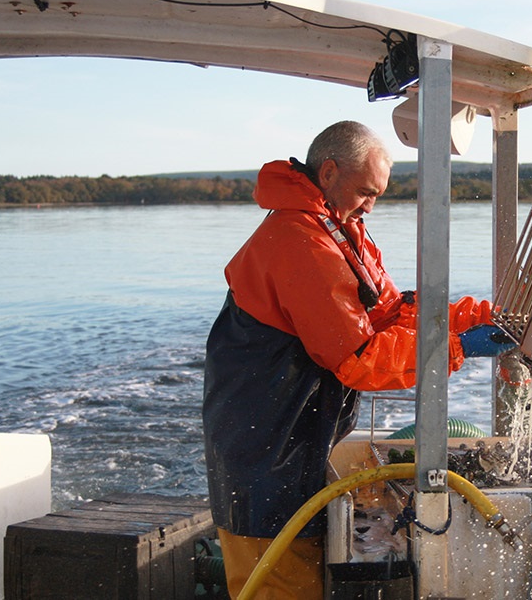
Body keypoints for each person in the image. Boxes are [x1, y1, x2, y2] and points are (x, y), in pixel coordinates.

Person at [202, 120, 514, 599]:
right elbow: (360, 358)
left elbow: (388, 311)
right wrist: (459, 348)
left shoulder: (338, 230)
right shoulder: (301, 243)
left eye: (378, 194)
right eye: (367, 192)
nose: (372, 204)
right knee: (281, 585)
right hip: (265, 452)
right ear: (328, 173)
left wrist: (476, 317)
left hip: (294, 441)